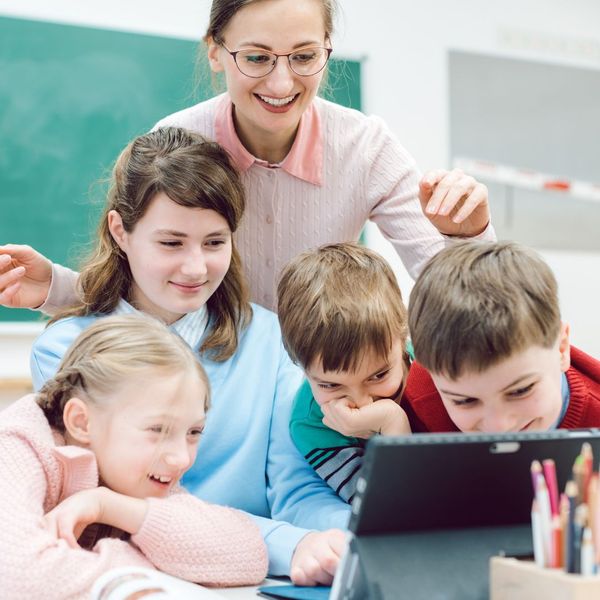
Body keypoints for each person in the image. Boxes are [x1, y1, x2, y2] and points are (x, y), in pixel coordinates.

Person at [0, 0, 495, 314]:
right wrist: (59, 288)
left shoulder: (366, 147)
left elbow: (463, 293)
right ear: (216, 52)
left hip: (319, 381)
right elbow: (142, 276)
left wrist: (468, 234)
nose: (282, 84)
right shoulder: (178, 141)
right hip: (204, 377)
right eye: (256, 58)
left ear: (327, 48)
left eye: (304, 57)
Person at [27, 127, 348, 586]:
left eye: (215, 242)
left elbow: (295, 488)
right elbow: (133, 507)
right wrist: (289, 544)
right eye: (172, 243)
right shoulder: (67, 351)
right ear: (121, 232)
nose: (196, 268)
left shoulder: (269, 338)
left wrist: (354, 534)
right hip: (135, 577)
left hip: (255, 581)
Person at [0, 314, 268, 598]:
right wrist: (139, 564)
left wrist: (107, 506)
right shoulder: (16, 445)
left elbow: (249, 554)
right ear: (81, 422)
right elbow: (17, 575)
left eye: (193, 432)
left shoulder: (139, 477)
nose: (180, 459)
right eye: (158, 429)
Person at [403, 240, 600, 433]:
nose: (499, 427)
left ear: (561, 349)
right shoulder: (420, 396)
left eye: (521, 390)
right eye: (464, 401)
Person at [277, 243, 414, 503]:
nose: (361, 403)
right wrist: (393, 424)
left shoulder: (435, 366)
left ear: (403, 336)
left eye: (378, 376)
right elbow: (391, 507)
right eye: (331, 386)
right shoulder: (311, 424)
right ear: (303, 369)